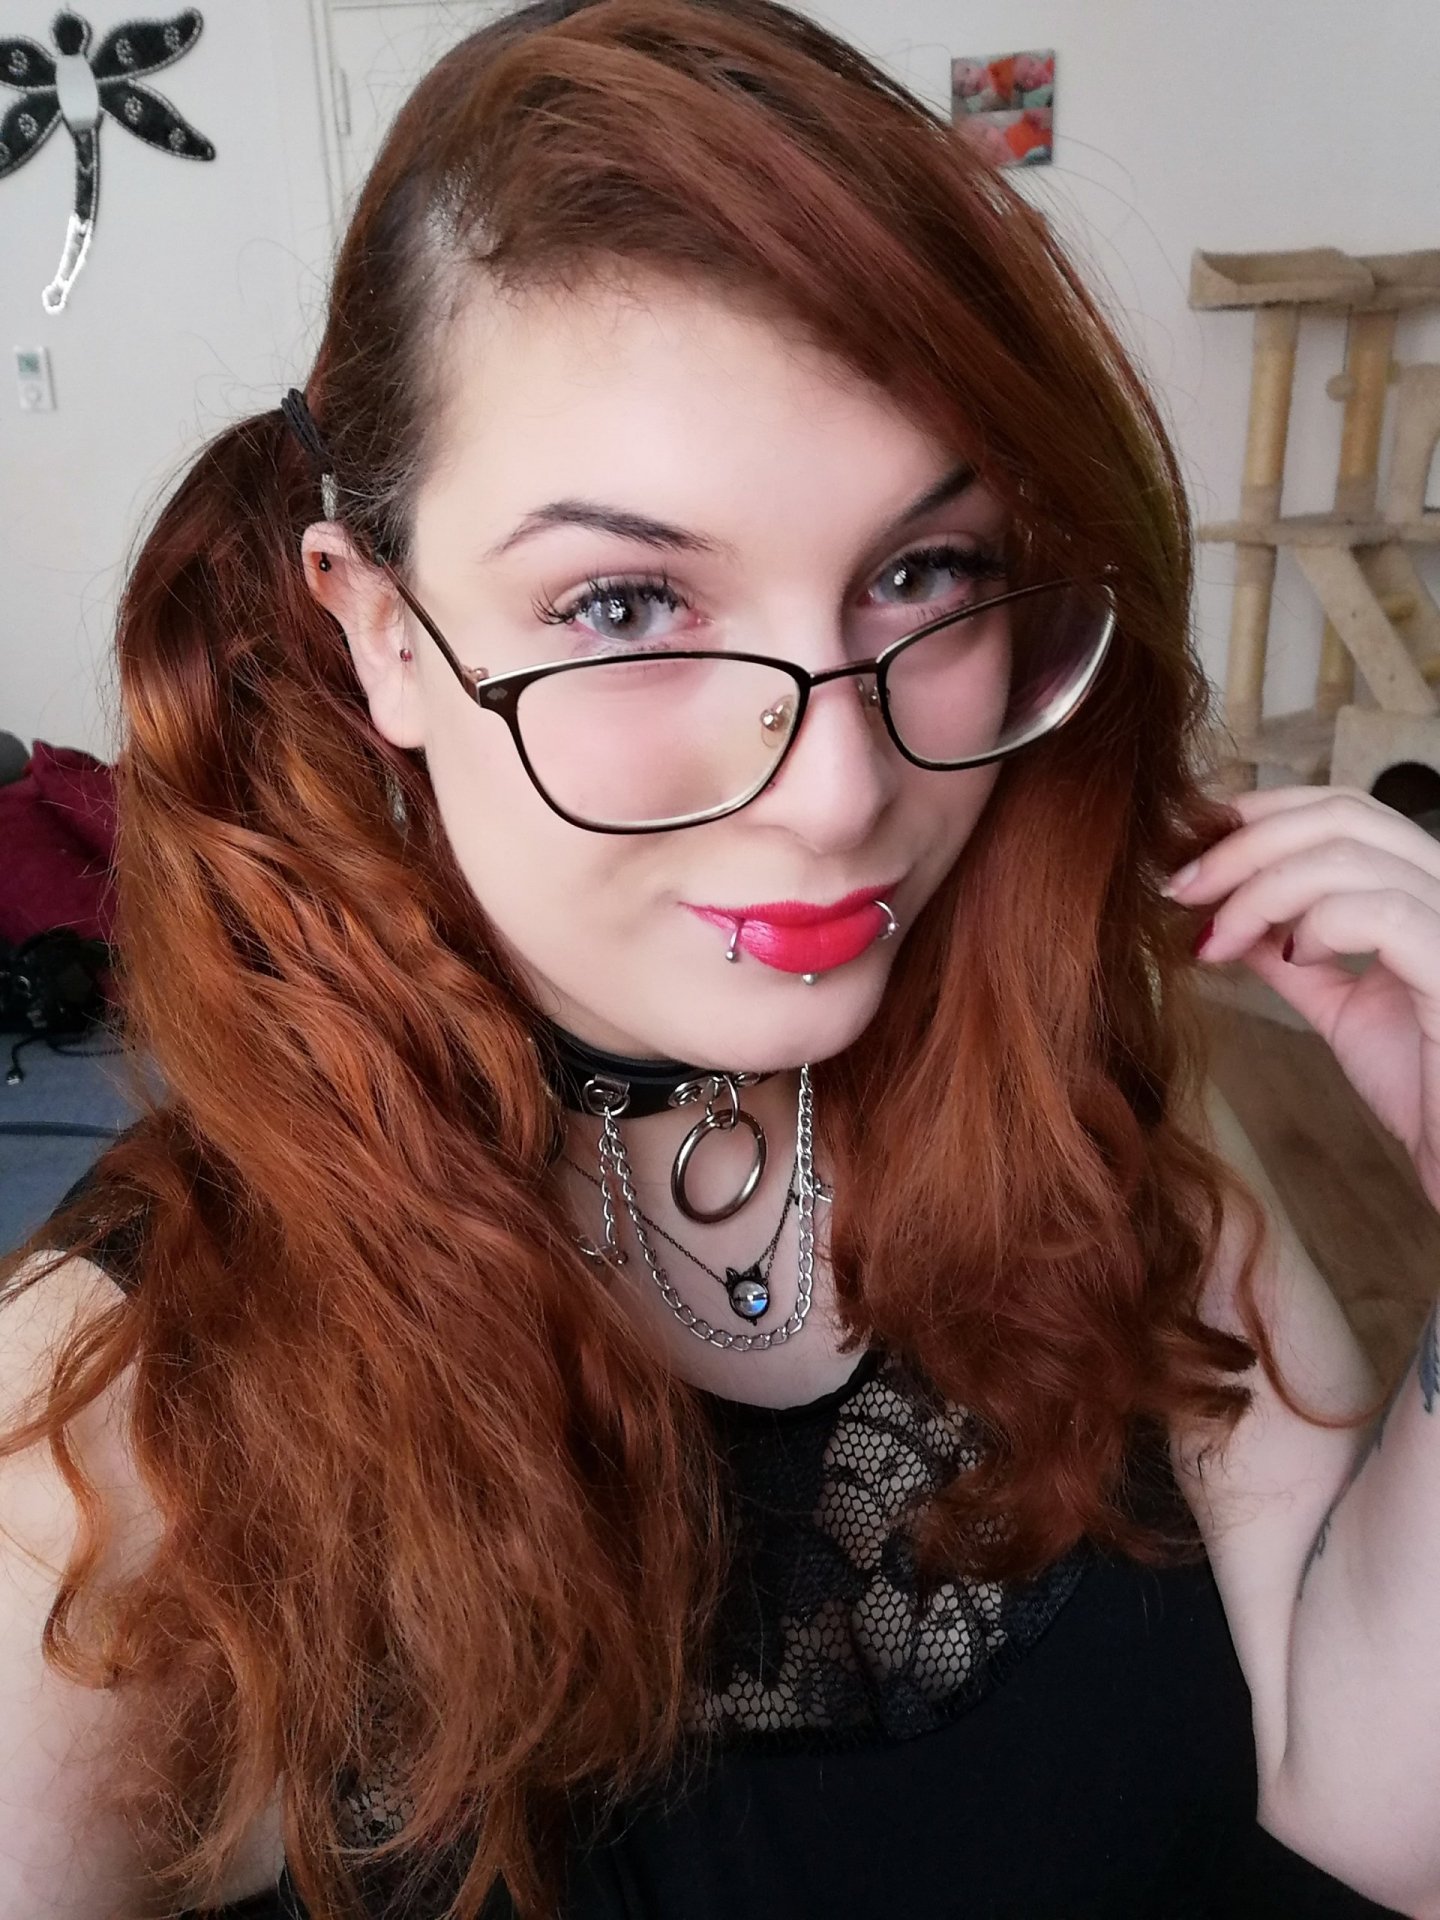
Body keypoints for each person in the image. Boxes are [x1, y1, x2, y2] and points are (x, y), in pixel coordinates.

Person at [0, 3, 1417, 1917]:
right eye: (625, 604)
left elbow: (1379, 1818)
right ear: (386, 633)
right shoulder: (114, 1426)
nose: (840, 792)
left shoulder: (1094, 1118)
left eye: (924, 573)